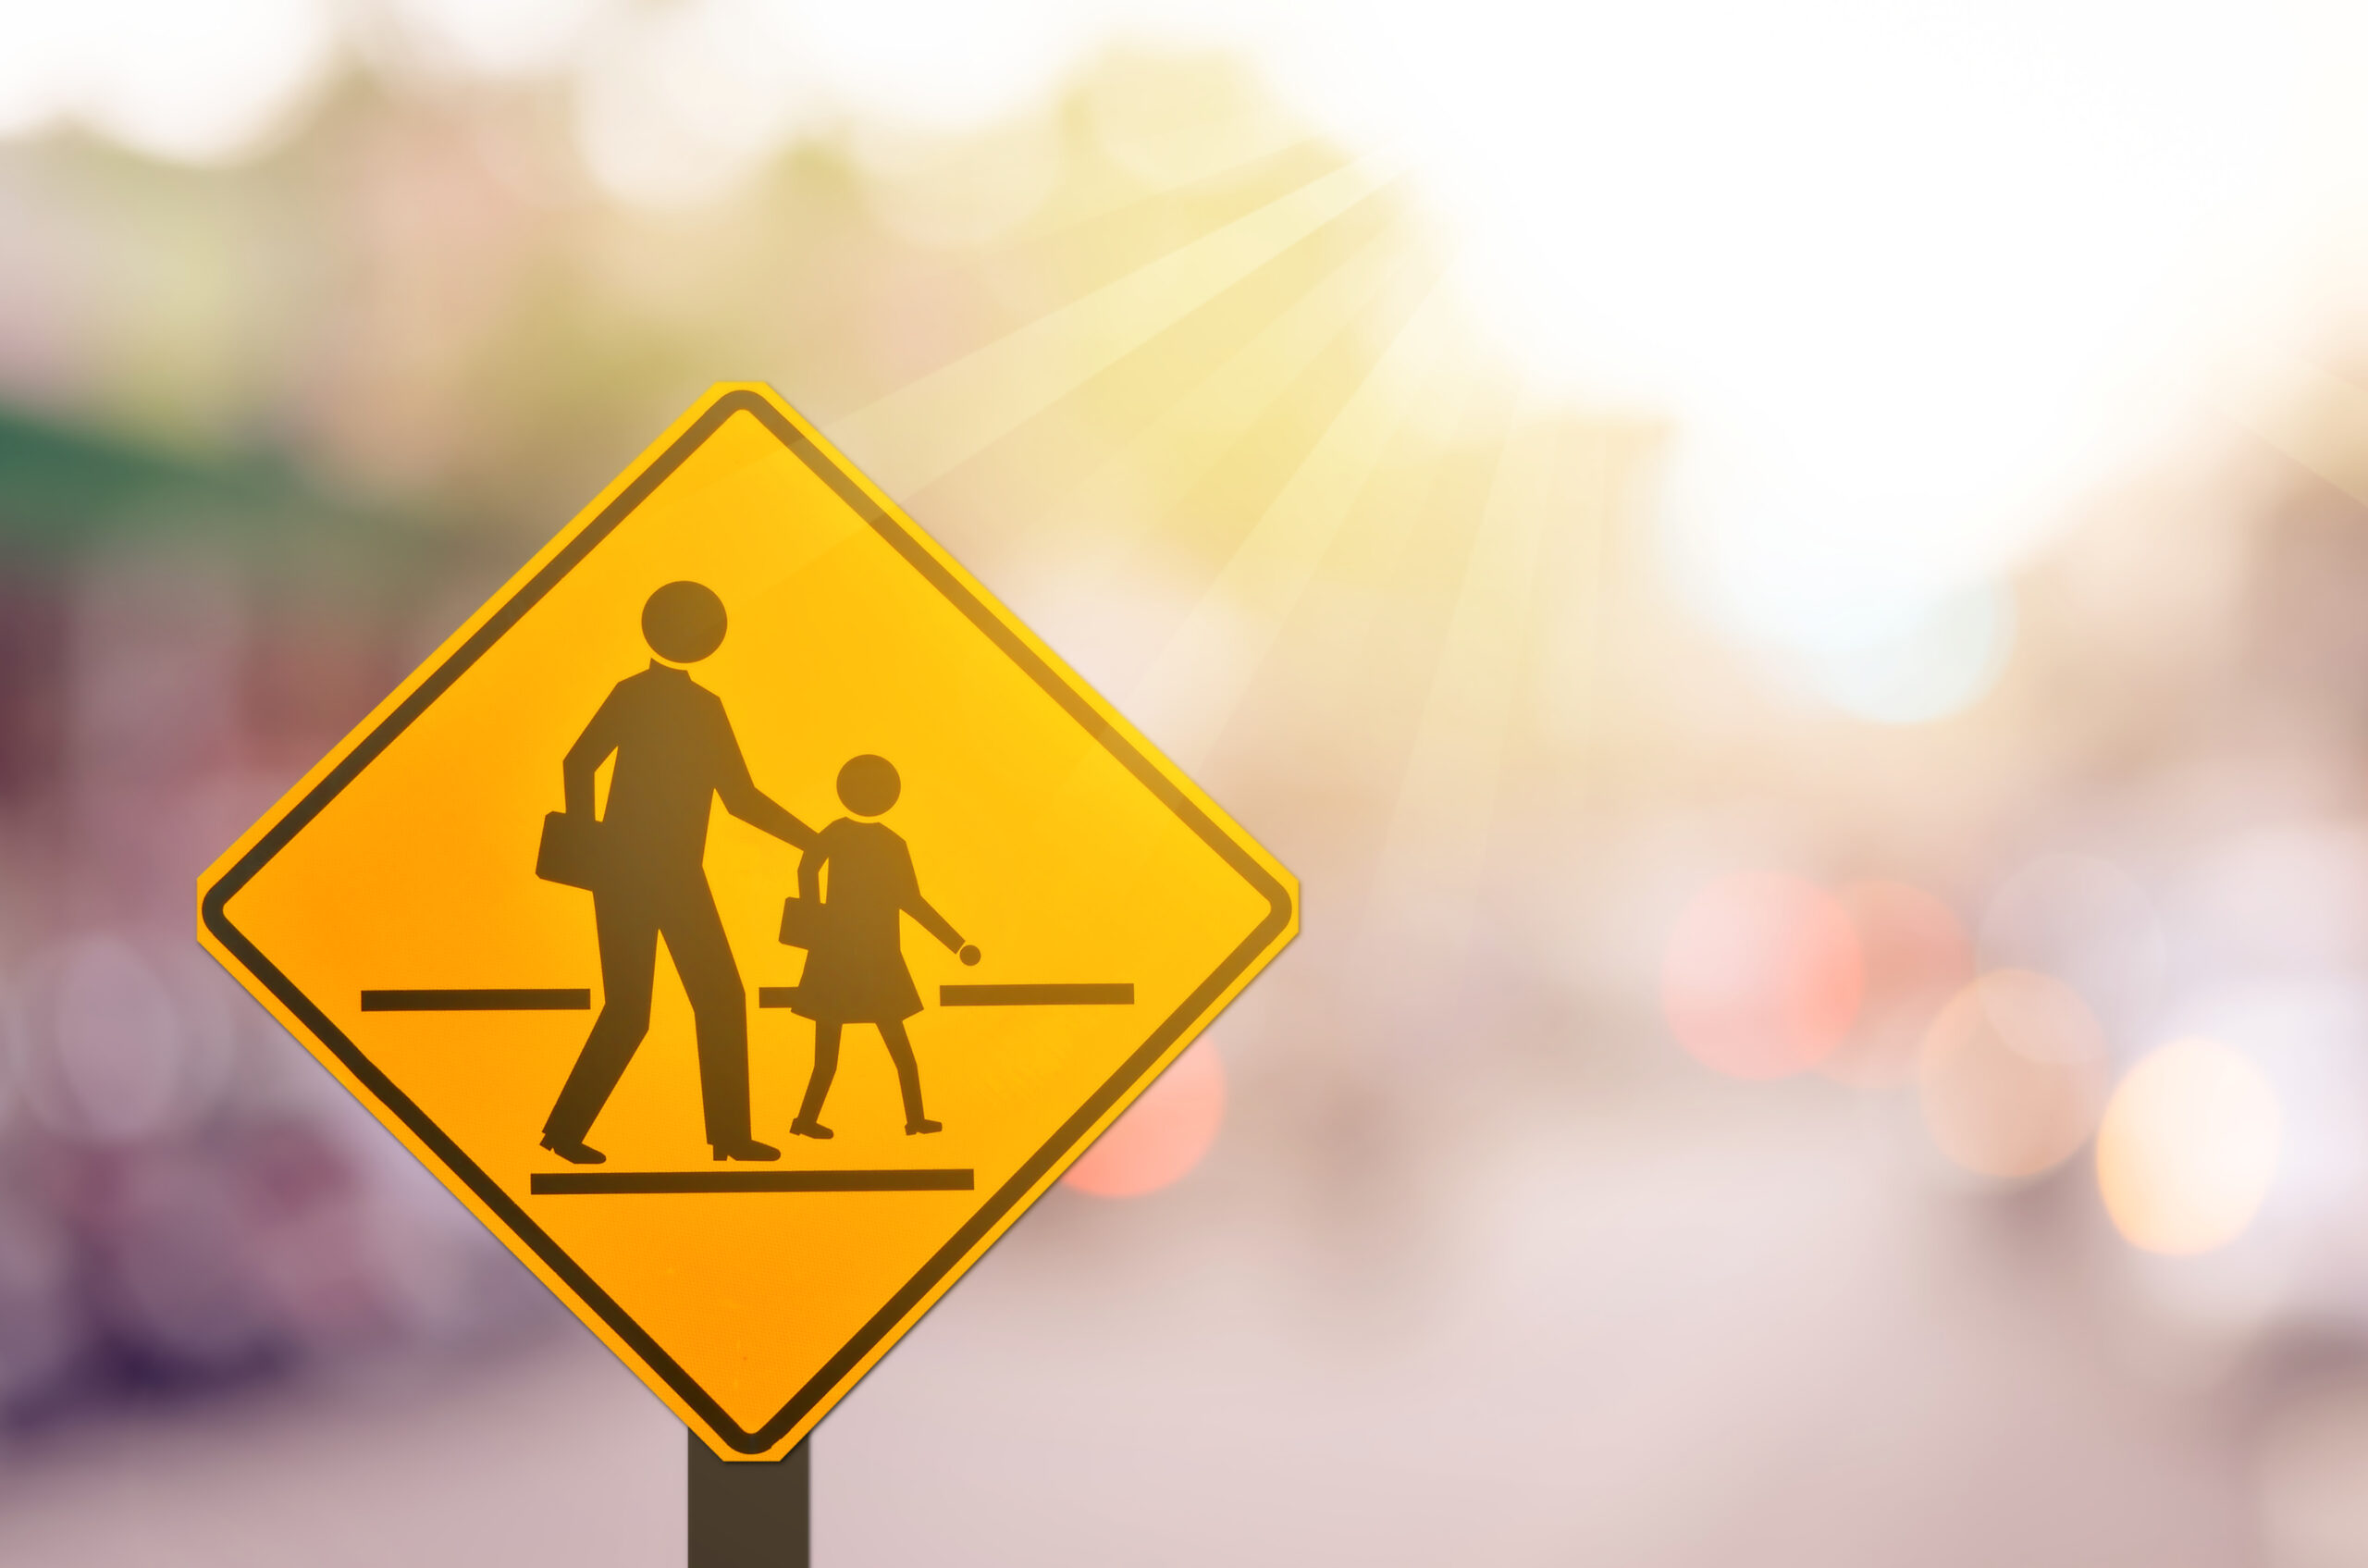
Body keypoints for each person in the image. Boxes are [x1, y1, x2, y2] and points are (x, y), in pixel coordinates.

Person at [540, 581, 813, 1166]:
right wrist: (595, 845)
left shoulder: (659, 699)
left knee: (684, 1001)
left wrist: (809, 840)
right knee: (666, 1005)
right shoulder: (672, 702)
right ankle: (576, 1131)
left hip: (652, 874)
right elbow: (739, 798)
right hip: (646, 874)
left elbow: (736, 798)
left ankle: (722, 1138)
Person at [787, 754, 978, 1139]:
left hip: (869, 958)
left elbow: (911, 900)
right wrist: (816, 914)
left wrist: (955, 943)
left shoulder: (886, 841)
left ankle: (914, 1120)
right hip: (847, 958)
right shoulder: (846, 835)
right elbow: (807, 868)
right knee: (835, 1055)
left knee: (892, 1049)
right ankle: (806, 1120)